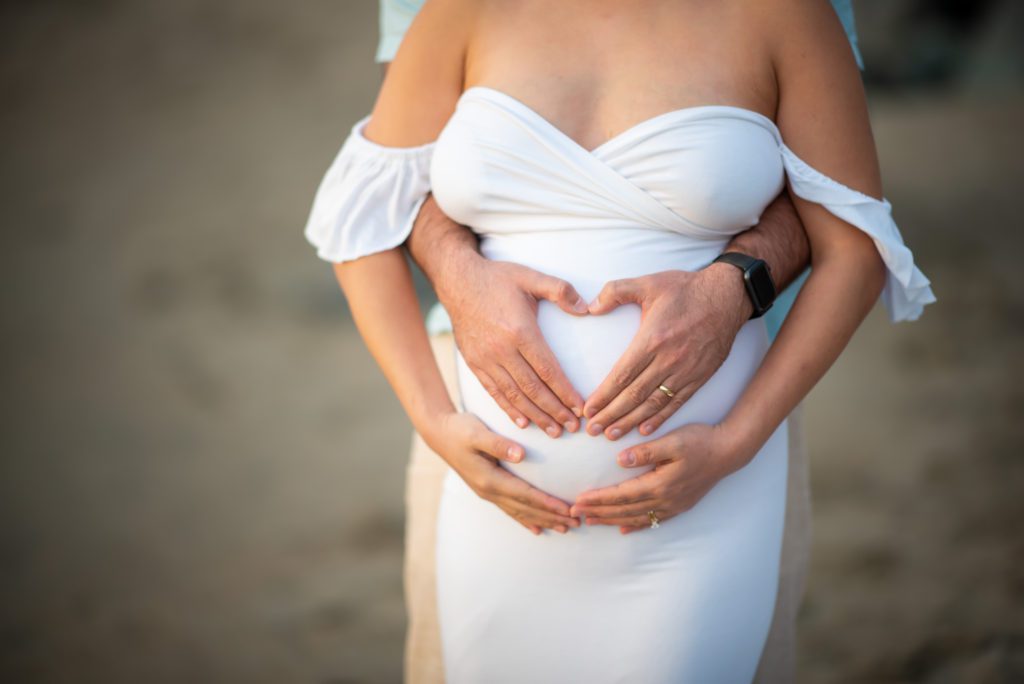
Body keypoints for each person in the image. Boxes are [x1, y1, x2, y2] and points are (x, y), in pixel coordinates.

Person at [304, 0, 935, 681]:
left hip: (700, 503)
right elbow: (364, 220)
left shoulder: (786, 14)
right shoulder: (459, 10)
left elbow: (855, 250)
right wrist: (434, 418)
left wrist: (735, 444)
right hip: (498, 505)